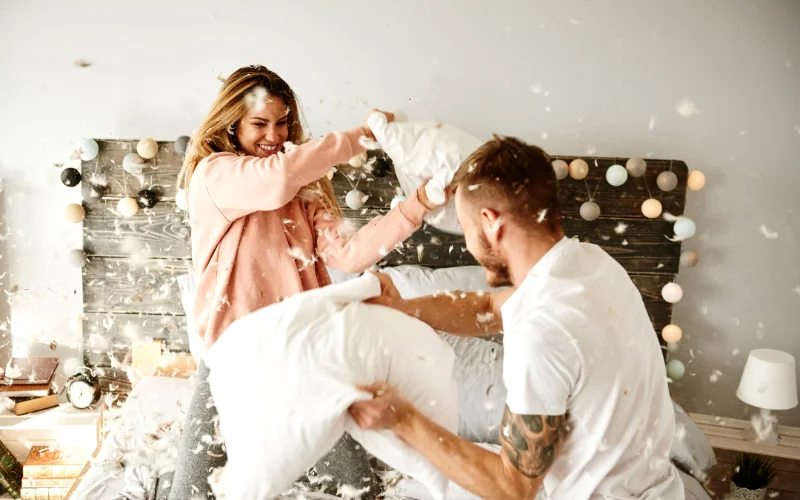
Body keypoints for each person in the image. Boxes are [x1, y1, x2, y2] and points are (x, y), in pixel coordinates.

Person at [349, 136, 684, 499]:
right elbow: (488, 308)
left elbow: (514, 488)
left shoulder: (540, 329)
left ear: (490, 222)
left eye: (465, 227)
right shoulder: (592, 264)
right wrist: (404, 308)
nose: (467, 243)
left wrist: (403, 419)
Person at [170, 65, 442, 500]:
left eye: (282, 123)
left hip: (301, 354)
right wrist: (359, 137)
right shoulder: (214, 175)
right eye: (259, 123)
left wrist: (419, 204)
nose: (273, 135)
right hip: (234, 356)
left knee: (356, 489)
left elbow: (349, 255)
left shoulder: (303, 194)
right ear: (232, 123)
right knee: (192, 491)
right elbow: (274, 179)